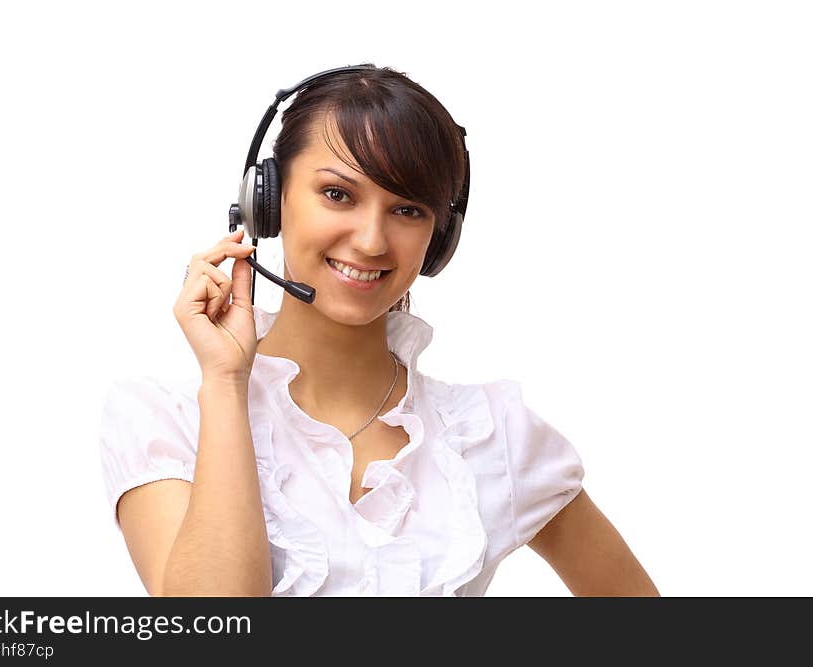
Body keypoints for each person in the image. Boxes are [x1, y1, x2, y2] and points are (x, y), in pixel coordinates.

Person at [99, 64, 660, 597]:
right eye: (338, 194)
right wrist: (225, 381)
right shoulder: (166, 422)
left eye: (408, 210)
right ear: (267, 202)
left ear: (439, 239)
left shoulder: (492, 436)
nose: (370, 240)